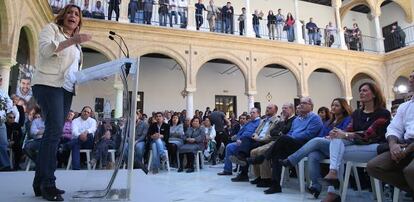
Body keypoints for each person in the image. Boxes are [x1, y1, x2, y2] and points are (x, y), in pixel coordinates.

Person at [31, 4, 91, 201]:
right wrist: (71, 40)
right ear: (63, 16)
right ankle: (48, 183)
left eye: (77, 14)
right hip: (48, 84)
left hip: (66, 89)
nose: (73, 16)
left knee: (53, 133)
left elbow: (73, 71)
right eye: (70, 13)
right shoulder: (52, 29)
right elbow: (46, 51)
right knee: (54, 131)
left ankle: (39, 182)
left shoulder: (77, 46)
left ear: (79, 21)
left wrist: (94, 76)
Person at [321, 82, 391, 202]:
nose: (361, 93)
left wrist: (346, 135)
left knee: (337, 154)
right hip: (358, 146)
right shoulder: (357, 113)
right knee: (337, 142)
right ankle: (333, 178)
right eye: (360, 90)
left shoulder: (383, 113)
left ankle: (333, 189)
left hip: (375, 147)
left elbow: (369, 135)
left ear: (374, 94)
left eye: (365, 90)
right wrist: (337, 133)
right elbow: (348, 130)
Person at [280, 98, 352, 198]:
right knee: (312, 155)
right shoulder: (329, 122)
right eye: (332, 105)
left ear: (343, 108)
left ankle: (292, 160)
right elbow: (322, 134)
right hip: (327, 145)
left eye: (337, 105)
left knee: (316, 141)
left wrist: (333, 135)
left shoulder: (348, 119)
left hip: (340, 146)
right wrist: (326, 137)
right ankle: (316, 186)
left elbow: (346, 132)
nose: (333, 107)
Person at [367, 70, 414, 197]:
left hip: (409, 146)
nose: (411, 79)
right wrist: (393, 145)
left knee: (410, 171)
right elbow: (394, 129)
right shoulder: (405, 106)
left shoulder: (382, 112)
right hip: (405, 144)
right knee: (373, 167)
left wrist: (406, 150)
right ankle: (410, 189)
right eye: (410, 76)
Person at [217, 108, 260, 176]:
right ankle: (227, 170)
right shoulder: (248, 122)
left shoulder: (260, 122)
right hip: (241, 141)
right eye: (251, 112)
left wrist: (243, 139)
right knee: (229, 146)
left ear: (258, 114)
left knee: (236, 146)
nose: (251, 114)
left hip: (250, 141)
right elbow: (240, 132)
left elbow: (256, 133)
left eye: (253, 112)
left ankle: (239, 159)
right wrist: (238, 139)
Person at [0, 76, 14, 171]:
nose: (1, 81)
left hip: (1, 121)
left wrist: (6, 107)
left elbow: (10, 104)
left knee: (3, 143)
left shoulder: (3, 93)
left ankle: (5, 165)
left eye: (1, 79)